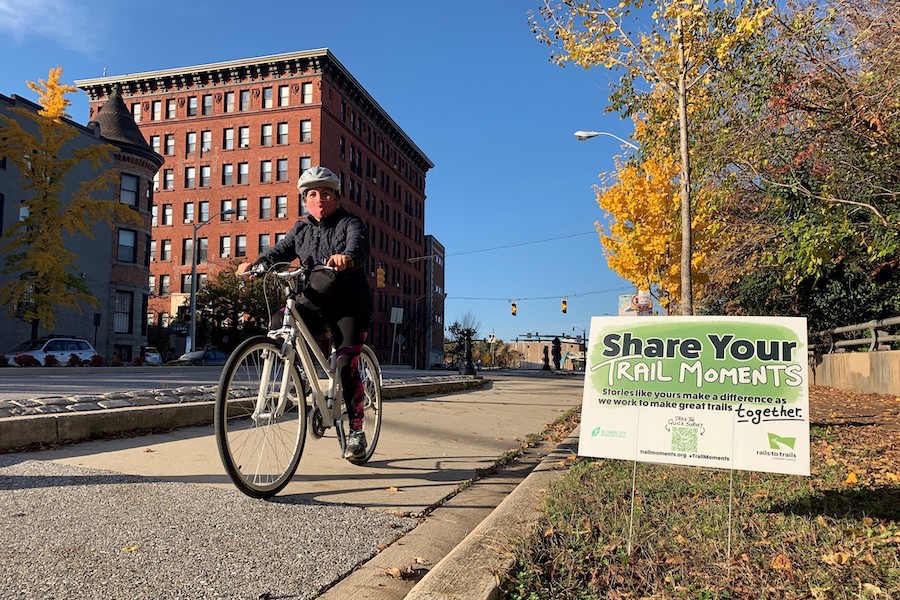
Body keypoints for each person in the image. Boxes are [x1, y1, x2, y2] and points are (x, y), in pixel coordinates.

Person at [240, 166, 373, 459]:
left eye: (325, 193)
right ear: (304, 200)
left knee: (346, 362)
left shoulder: (350, 222)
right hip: (316, 296)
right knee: (280, 322)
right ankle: (302, 378)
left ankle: (357, 431)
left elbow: (359, 246)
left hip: (350, 302)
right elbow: (279, 252)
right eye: (312, 194)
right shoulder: (301, 229)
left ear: (336, 197)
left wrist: (347, 258)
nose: (319, 199)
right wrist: (256, 265)